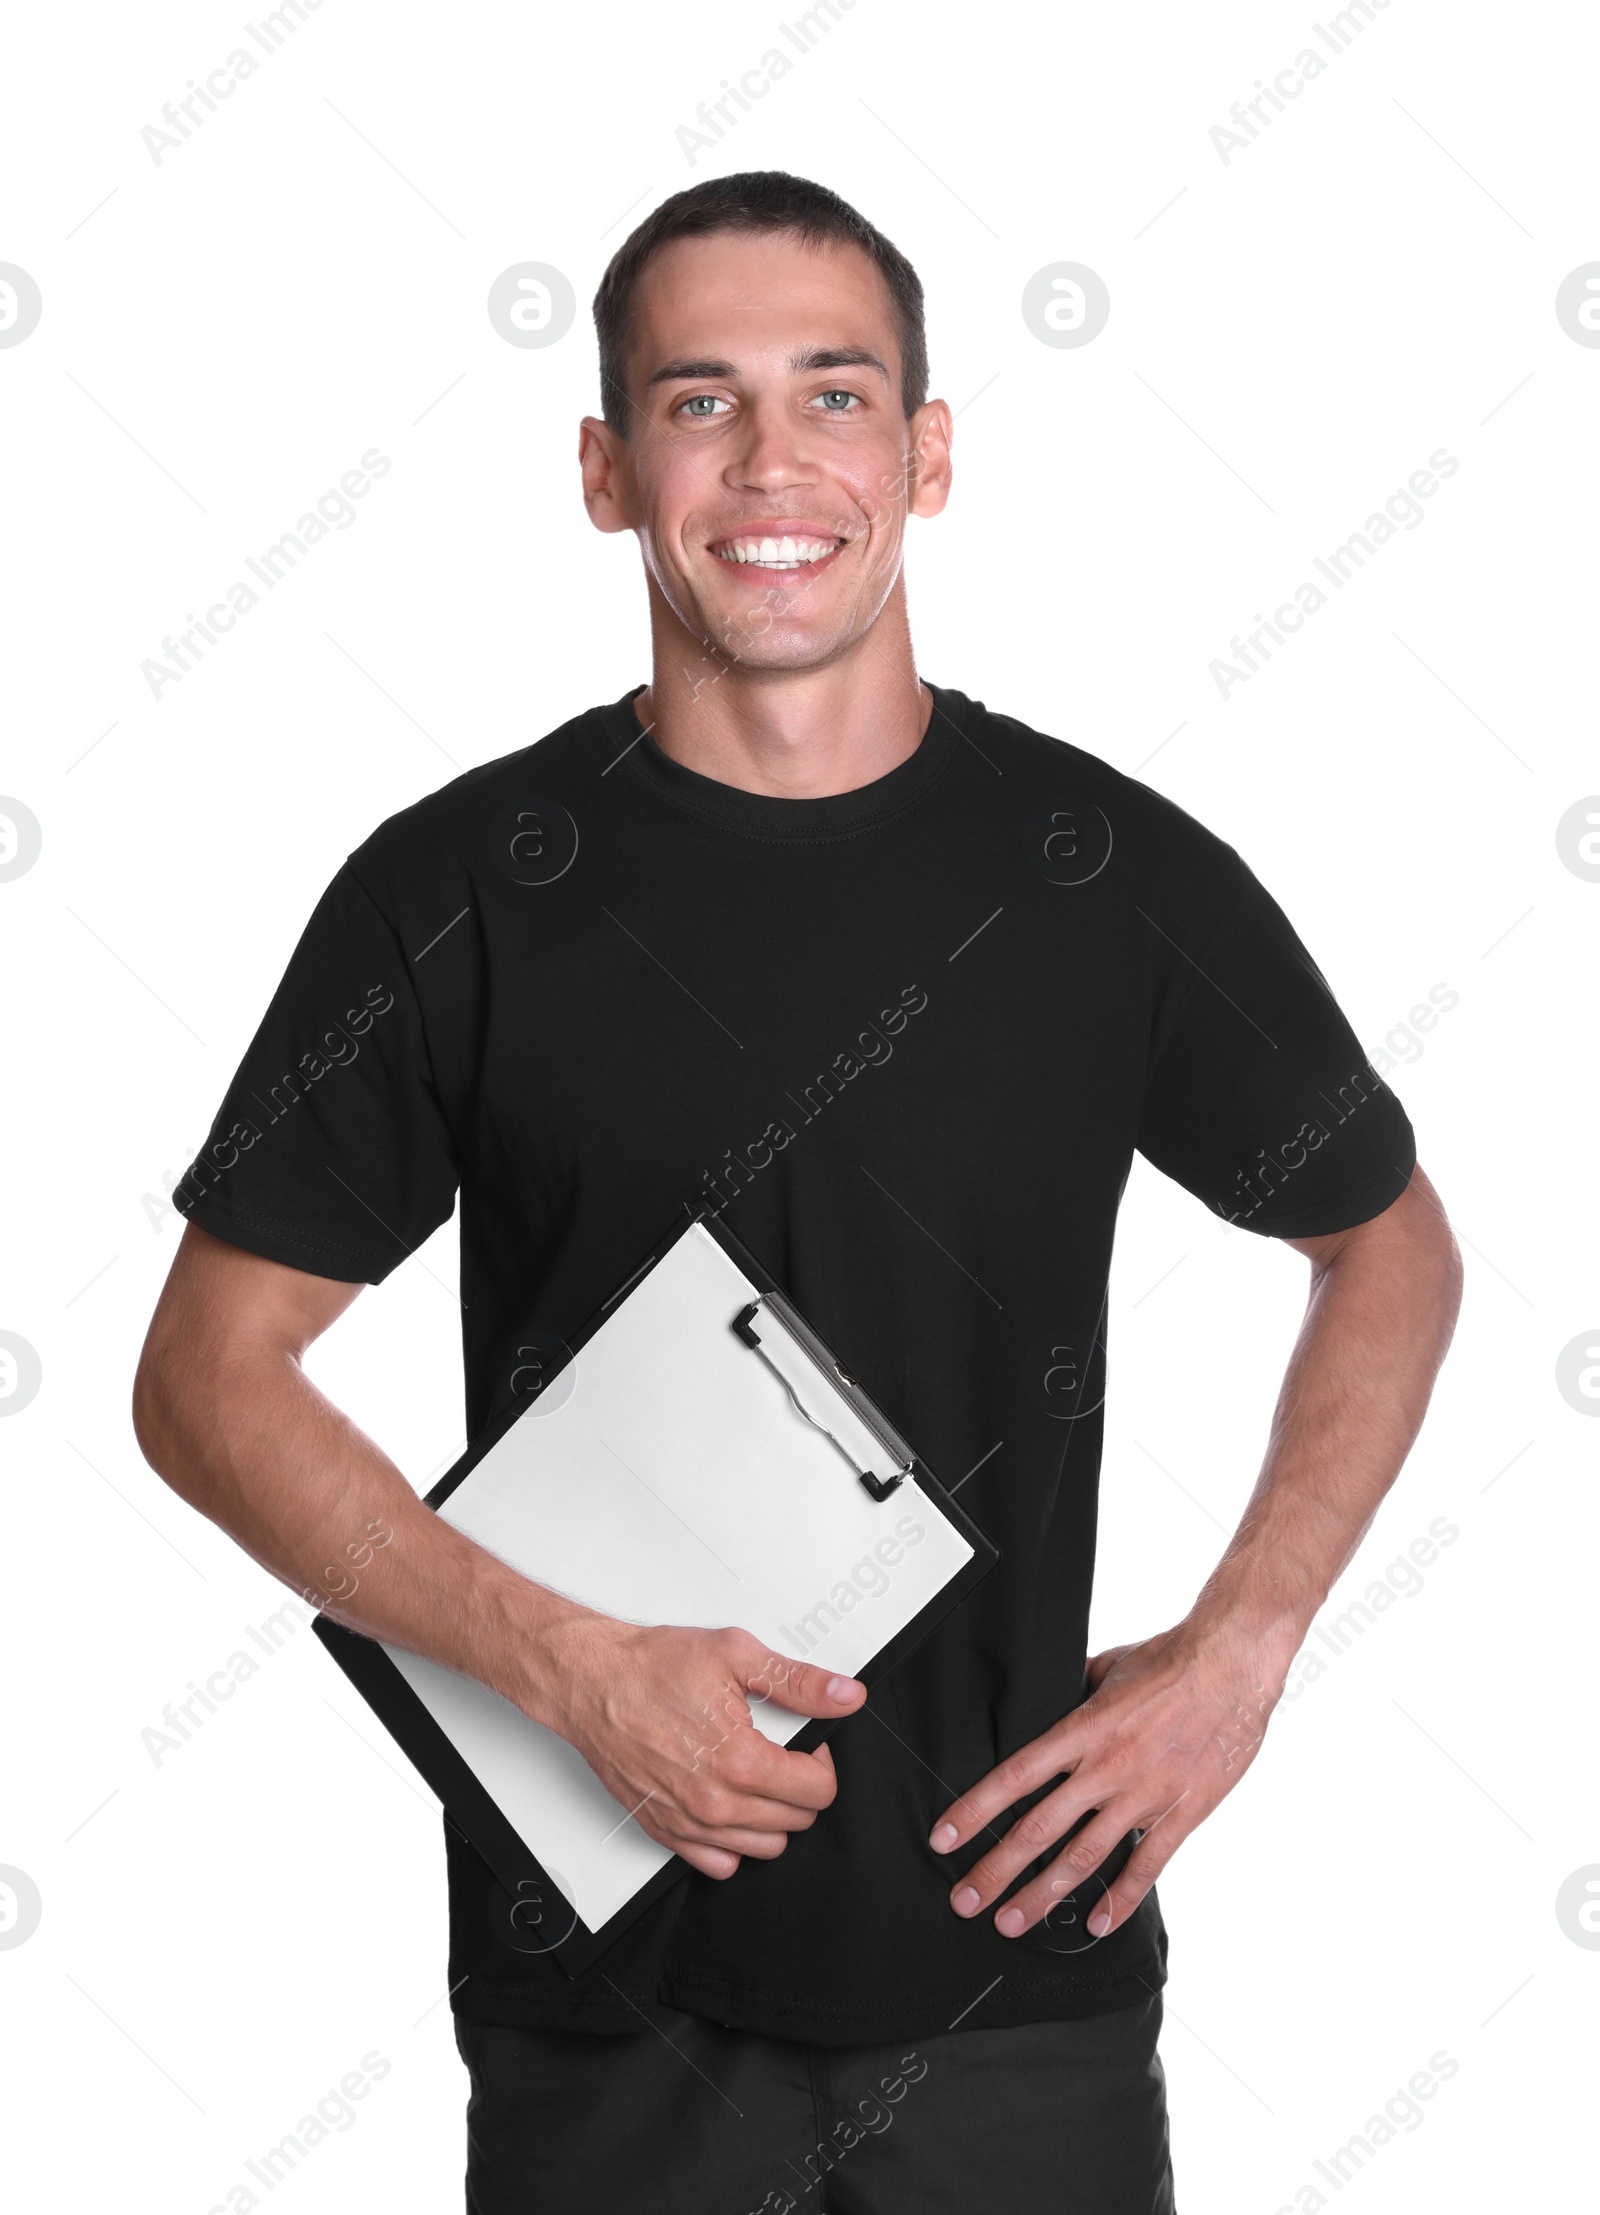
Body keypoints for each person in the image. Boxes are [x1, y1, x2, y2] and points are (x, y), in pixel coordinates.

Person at [133, 170, 1462, 2214]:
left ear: (926, 455)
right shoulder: (463, 890)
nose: (771, 463)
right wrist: (561, 1664)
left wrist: (1239, 1650)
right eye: (697, 402)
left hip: (1017, 1975)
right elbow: (208, 1377)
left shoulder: (1099, 878)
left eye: (835, 398)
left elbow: (1380, 1241)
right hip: (606, 1998)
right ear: (601, 468)